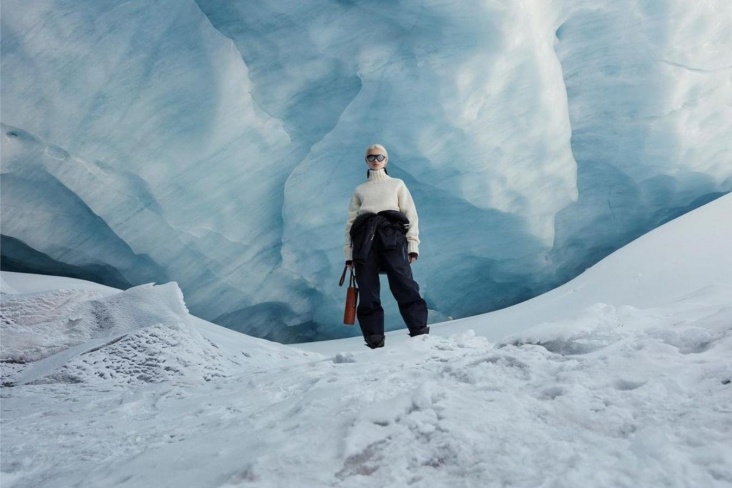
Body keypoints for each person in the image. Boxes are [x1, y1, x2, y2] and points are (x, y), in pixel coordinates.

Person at [344, 144, 429, 349]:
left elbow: (411, 215)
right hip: (364, 241)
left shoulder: (397, 184)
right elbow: (350, 224)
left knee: (404, 283)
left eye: (380, 156)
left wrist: (412, 245)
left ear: (386, 160)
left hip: (393, 237)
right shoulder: (360, 190)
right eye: (371, 157)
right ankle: (374, 339)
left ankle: (419, 331)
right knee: (367, 288)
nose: (375, 160)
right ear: (366, 160)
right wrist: (349, 254)